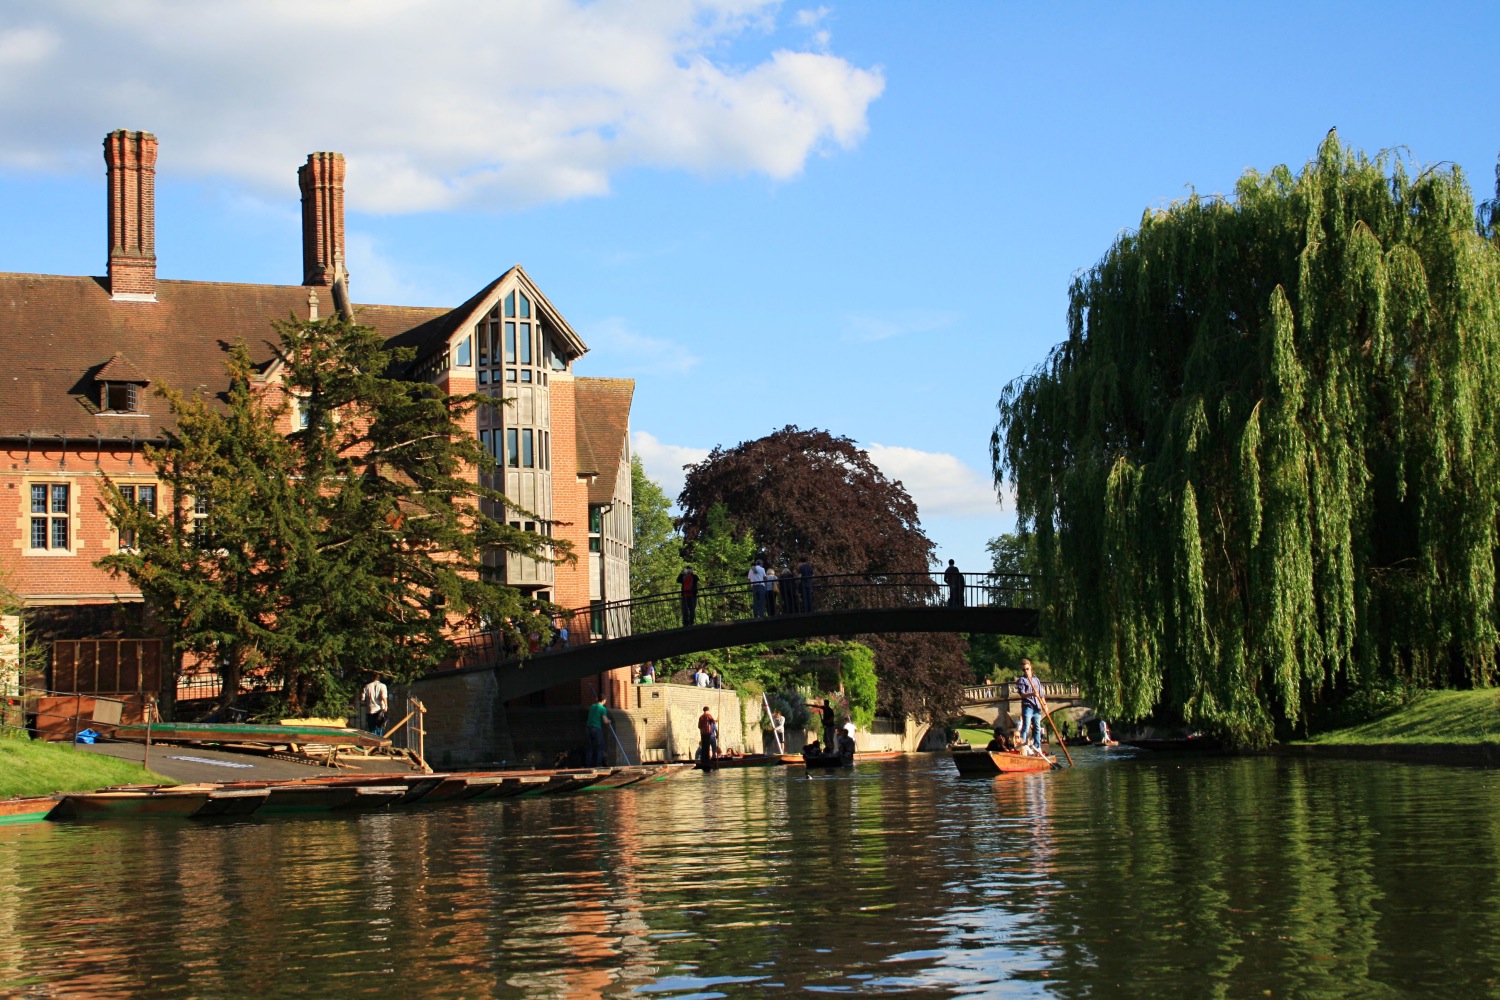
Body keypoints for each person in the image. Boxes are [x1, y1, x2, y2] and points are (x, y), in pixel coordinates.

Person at [1016, 658, 1048, 752]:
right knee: (1026, 726)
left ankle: (1037, 747)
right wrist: (1032, 694)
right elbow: (1022, 694)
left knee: (1037, 727)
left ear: (1030, 668)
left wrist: (1045, 705)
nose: (1026, 671)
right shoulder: (1021, 680)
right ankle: (1023, 746)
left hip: (1037, 707)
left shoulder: (1036, 680)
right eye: (1023, 670)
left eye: (1027, 669)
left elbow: (1041, 694)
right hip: (1028, 706)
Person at [585, 694, 611, 766]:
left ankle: (588, 765)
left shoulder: (592, 706)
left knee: (589, 747)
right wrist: (609, 721)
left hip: (588, 728)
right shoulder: (602, 708)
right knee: (600, 747)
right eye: (605, 700)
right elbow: (605, 721)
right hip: (596, 728)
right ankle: (599, 764)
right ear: (603, 700)